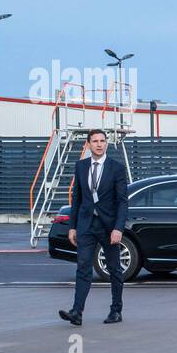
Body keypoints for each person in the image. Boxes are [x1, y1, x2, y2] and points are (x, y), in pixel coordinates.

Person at [58, 129, 129, 326]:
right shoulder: (80, 166)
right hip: (86, 225)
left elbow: (123, 201)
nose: (99, 144)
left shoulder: (116, 168)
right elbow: (77, 199)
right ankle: (77, 312)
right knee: (83, 268)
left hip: (109, 226)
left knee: (114, 268)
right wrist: (72, 227)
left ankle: (116, 311)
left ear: (106, 144)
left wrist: (118, 228)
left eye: (102, 141)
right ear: (88, 144)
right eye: (95, 141)